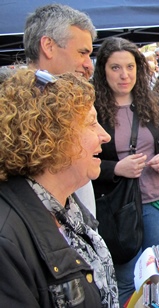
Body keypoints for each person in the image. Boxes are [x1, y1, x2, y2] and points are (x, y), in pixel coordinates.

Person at [0, 69, 116, 306]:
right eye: (91, 123)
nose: (105, 136)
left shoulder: (67, 207)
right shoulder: (8, 238)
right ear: (51, 136)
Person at [92, 37, 159, 305]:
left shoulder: (152, 102)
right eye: (115, 68)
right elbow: (79, 161)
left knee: (155, 274)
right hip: (117, 208)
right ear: (103, 71)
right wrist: (116, 168)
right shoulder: (93, 110)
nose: (125, 75)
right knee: (125, 278)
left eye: (130, 67)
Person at [23, 3, 98, 216]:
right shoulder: (13, 113)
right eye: (82, 53)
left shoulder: (73, 99)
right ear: (48, 46)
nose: (89, 64)